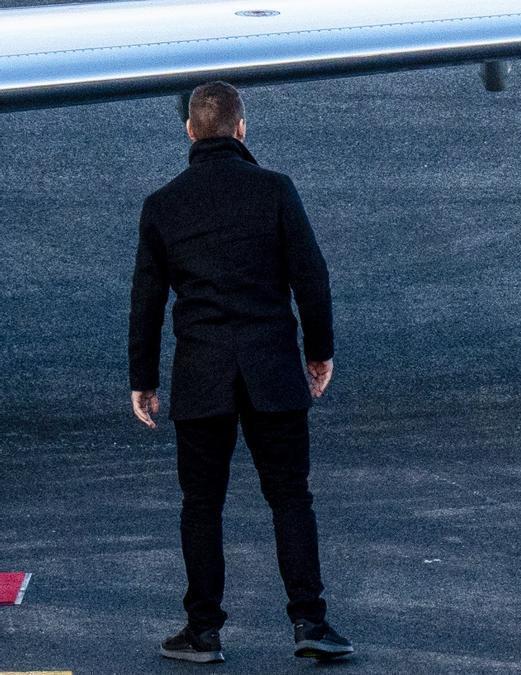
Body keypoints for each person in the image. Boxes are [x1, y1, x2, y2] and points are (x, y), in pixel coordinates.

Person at [128, 81, 353, 663]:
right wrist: (319, 351)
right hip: (273, 370)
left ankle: (202, 631)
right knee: (290, 499)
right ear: (241, 128)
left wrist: (143, 379)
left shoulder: (163, 204)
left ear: (189, 130)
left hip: (201, 374)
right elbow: (313, 276)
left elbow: (147, 301)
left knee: (201, 505)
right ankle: (310, 622)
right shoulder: (275, 190)